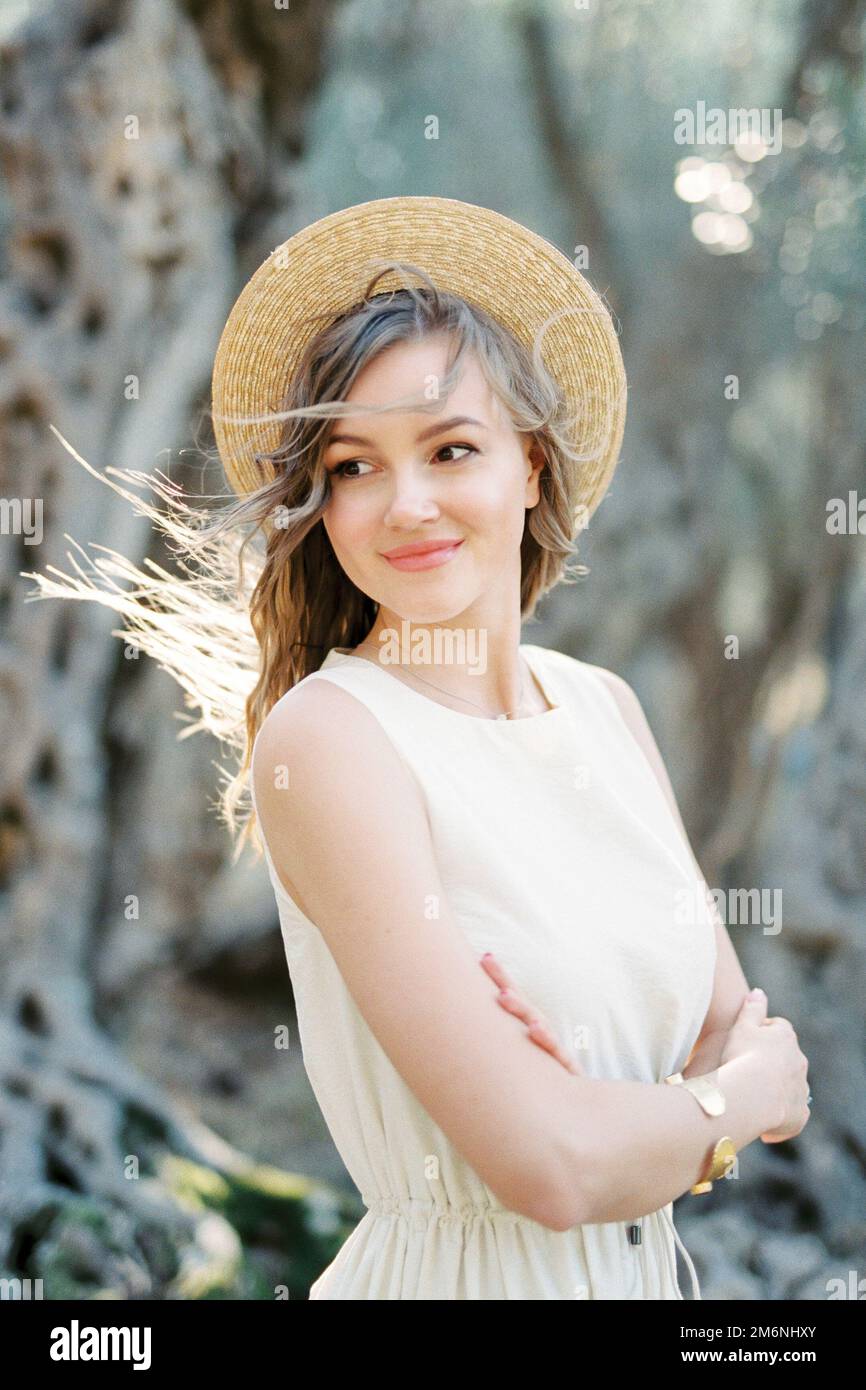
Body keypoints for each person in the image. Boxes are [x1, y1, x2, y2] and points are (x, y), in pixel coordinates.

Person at [25, 196, 810, 1300]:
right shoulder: (333, 738)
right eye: (351, 466)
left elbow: (731, 1025)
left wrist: (638, 1103)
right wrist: (730, 1103)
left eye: (450, 447)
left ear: (531, 466)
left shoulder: (602, 708)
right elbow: (550, 1164)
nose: (405, 505)